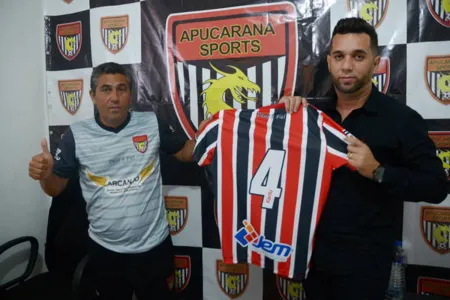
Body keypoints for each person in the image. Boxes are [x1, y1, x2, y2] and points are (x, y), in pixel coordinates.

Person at [279, 17, 448, 300]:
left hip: (366, 265)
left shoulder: (401, 120)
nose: (347, 66)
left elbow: (436, 187)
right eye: (339, 56)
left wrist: (378, 171)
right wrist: (285, 117)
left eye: (358, 56)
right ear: (330, 62)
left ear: (375, 63)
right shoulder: (312, 116)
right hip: (312, 257)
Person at [28, 62, 203, 300]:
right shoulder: (76, 135)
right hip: (106, 250)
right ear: (92, 95)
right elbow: (55, 188)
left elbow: (184, 152)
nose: (114, 97)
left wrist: (205, 137)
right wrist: (45, 174)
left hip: (153, 246)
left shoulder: (150, 123)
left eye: (121, 89)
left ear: (130, 95)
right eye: (106, 89)